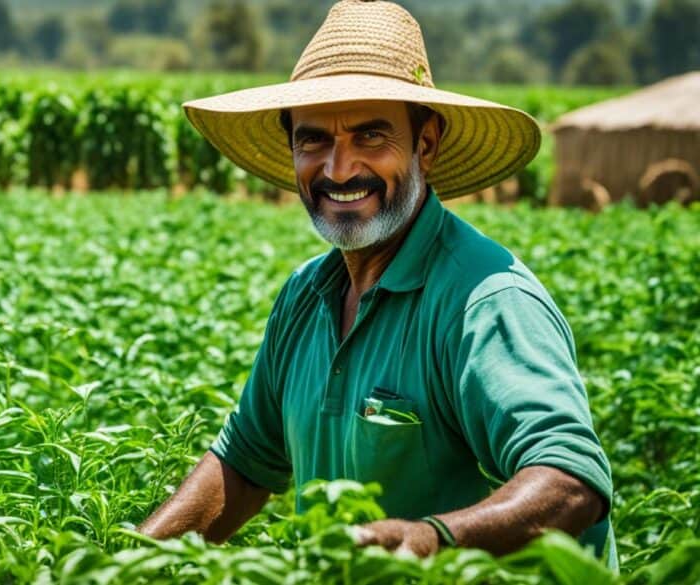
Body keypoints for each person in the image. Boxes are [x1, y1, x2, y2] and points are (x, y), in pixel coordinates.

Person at [139, 0, 616, 568]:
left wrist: (432, 540)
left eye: (370, 136)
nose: (339, 170)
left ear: (427, 143)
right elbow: (243, 465)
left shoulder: (484, 300)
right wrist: (122, 566)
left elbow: (569, 481)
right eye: (313, 140)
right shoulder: (305, 297)